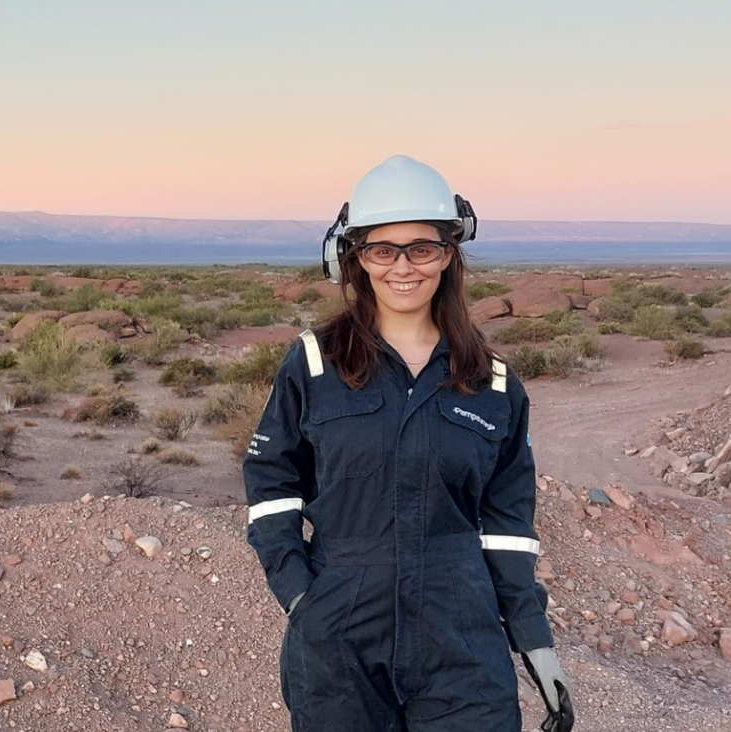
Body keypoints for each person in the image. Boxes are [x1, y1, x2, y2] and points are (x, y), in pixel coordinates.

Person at [244, 155, 573, 731]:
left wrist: (534, 643)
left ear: (449, 253)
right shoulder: (314, 363)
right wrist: (301, 597)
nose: (404, 266)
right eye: (382, 249)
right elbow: (271, 485)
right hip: (339, 634)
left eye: (422, 248)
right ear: (355, 257)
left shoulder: (493, 381)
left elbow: (509, 528)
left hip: (461, 634)